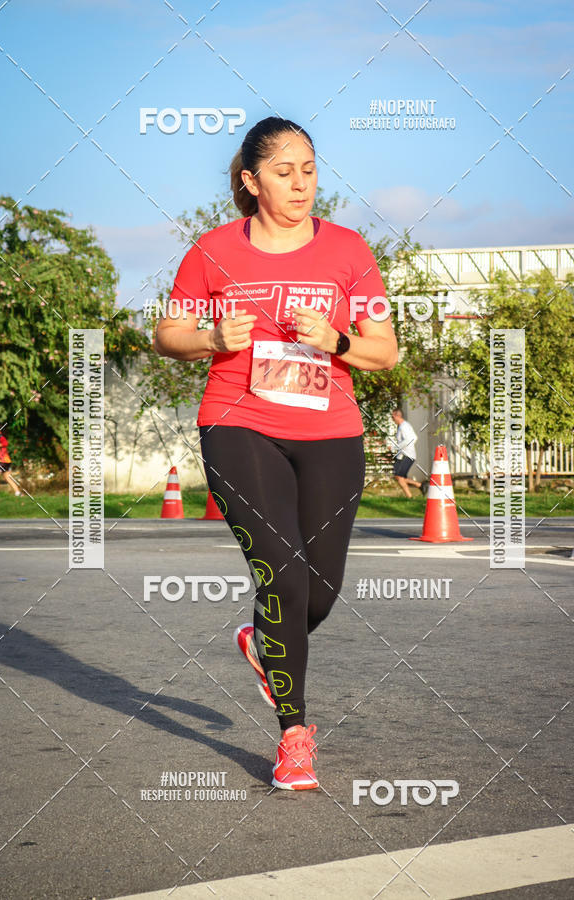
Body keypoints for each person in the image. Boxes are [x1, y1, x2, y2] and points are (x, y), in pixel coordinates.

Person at [154, 117, 397, 790]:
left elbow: (386, 350)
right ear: (250, 181)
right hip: (239, 423)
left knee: (318, 592)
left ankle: (262, 640)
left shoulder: (349, 250)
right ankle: (294, 737)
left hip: (332, 432)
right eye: (285, 171)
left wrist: (338, 342)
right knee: (284, 578)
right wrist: (212, 339)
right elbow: (168, 333)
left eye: (310, 169)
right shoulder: (213, 249)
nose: (300, 183)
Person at [390, 409, 425, 499]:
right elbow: (413, 438)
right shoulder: (403, 425)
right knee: (398, 477)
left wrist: (394, 447)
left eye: (392, 417)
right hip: (402, 455)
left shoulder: (404, 426)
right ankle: (418, 488)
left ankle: (416, 489)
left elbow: (410, 439)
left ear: (397, 416)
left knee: (399, 476)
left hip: (408, 455)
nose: (392, 419)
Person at [0, 428, 22, 496]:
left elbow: (5, 443)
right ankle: (18, 492)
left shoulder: (0, 437)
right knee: (8, 477)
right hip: (6, 461)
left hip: (1, 461)